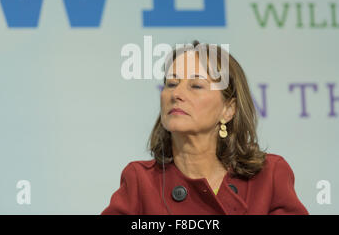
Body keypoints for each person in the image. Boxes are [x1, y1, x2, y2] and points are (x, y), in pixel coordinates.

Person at [101, 40, 308, 215]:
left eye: (196, 86)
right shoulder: (140, 182)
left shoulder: (268, 178)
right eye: (171, 84)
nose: (176, 94)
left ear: (228, 109)